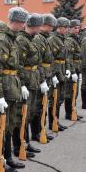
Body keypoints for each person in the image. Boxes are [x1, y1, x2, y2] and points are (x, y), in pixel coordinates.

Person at [0, 7, 29, 172]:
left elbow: (16, 65)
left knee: (10, 126)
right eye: (22, 23)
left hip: (12, 88)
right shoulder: (1, 40)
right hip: (3, 89)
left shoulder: (13, 39)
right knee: (0, 127)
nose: (24, 26)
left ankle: (8, 157)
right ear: (15, 22)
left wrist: (22, 85)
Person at [15, 13, 44, 157]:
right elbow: (19, 64)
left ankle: (26, 142)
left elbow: (38, 62)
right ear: (32, 26)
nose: (40, 28)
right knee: (23, 116)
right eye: (39, 26)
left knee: (30, 113)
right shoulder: (21, 40)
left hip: (34, 80)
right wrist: (22, 84)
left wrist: (42, 80)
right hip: (26, 81)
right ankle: (20, 145)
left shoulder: (34, 39)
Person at [32, 14, 56, 142]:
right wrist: (41, 80)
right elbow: (38, 61)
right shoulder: (39, 38)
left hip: (46, 74)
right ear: (43, 25)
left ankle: (41, 130)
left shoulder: (46, 38)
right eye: (50, 25)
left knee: (42, 105)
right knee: (38, 106)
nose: (52, 28)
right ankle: (37, 133)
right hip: (40, 76)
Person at [48, 17, 70, 131]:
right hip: (56, 71)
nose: (67, 29)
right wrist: (53, 75)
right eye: (65, 27)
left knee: (60, 98)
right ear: (59, 27)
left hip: (62, 70)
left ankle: (56, 120)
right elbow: (51, 59)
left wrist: (67, 68)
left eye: (67, 27)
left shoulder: (62, 39)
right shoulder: (53, 39)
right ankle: (53, 123)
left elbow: (65, 57)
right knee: (54, 99)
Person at [64, 19, 82, 119]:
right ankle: (69, 113)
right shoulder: (69, 40)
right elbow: (68, 57)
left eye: (78, 28)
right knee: (70, 93)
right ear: (69, 29)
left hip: (77, 68)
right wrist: (72, 71)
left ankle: (73, 111)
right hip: (72, 70)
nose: (77, 30)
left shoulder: (76, 39)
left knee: (75, 92)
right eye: (75, 28)